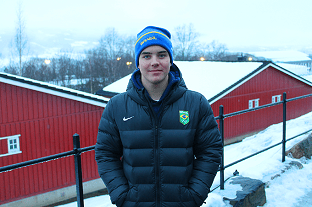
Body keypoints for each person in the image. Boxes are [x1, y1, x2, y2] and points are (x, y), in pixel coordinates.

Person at [95, 26, 223, 207]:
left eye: (162, 55)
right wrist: (122, 195)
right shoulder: (117, 106)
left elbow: (211, 150)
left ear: (171, 60)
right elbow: (105, 154)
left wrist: (195, 194)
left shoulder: (195, 103)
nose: (154, 62)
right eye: (146, 56)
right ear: (137, 62)